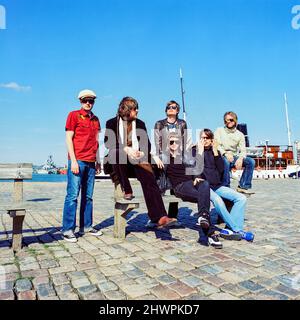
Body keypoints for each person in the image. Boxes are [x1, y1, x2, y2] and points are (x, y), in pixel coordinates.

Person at [104, 96, 177, 228]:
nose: (137, 110)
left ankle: (159, 216)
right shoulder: (111, 123)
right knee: (116, 152)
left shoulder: (140, 124)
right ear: (126, 109)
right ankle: (127, 189)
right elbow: (108, 143)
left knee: (148, 177)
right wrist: (126, 149)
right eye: (134, 108)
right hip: (118, 163)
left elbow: (147, 146)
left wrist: (141, 152)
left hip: (136, 161)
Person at [160, 132, 223, 248]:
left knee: (204, 183)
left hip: (192, 183)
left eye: (177, 142)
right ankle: (211, 234)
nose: (174, 144)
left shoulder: (185, 155)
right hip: (179, 186)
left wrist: (196, 177)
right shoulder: (163, 157)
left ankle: (203, 217)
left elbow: (194, 167)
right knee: (204, 197)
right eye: (171, 142)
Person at [62, 89, 103, 243]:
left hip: (91, 162)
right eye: (85, 100)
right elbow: (68, 139)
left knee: (88, 196)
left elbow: (96, 142)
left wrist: (98, 160)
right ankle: (68, 229)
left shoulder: (96, 119)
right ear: (80, 101)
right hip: (77, 160)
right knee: (72, 196)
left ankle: (86, 226)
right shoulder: (73, 115)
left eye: (91, 101)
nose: (88, 103)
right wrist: (73, 160)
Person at [199, 129, 254, 242]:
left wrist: (215, 152)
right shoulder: (195, 151)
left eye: (207, 138)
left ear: (211, 140)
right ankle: (237, 230)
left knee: (241, 198)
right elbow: (195, 170)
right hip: (204, 186)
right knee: (218, 201)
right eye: (202, 138)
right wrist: (200, 152)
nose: (204, 140)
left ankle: (228, 229)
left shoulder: (216, 153)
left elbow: (220, 170)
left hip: (216, 186)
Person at [214, 111, 255, 195]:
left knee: (251, 162)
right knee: (225, 161)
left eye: (230, 120)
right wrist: (225, 153)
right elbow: (216, 145)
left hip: (234, 157)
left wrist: (240, 158)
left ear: (235, 120)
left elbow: (243, 150)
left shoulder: (240, 135)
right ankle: (225, 187)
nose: (227, 122)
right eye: (226, 121)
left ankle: (243, 186)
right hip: (221, 156)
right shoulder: (219, 130)